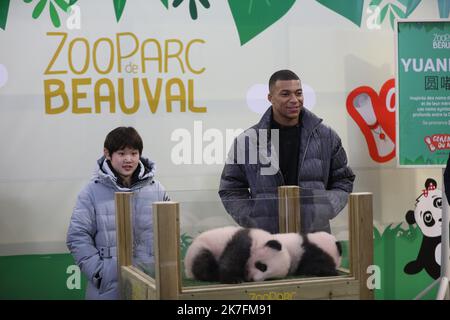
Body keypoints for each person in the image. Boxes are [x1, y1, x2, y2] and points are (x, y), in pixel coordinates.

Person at [219, 69, 355, 234]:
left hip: (314, 236)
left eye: (298, 93)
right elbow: (231, 188)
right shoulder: (248, 141)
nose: (294, 100)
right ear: (270, 98)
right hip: (267, 239)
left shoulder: (326, 137)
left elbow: (344, 180)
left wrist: (325, 208)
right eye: (285, 94)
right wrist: (253, 218)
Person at [66, 127, 169, 299]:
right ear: (107, 153)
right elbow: (77, 236)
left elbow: (168, 231)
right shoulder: (91, 191)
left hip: (150, 282)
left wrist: (162, 269)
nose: (128, 159)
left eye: (134, 153)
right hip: (109, 286)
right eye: (121, 153)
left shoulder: (156, 189)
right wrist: (101, 274)